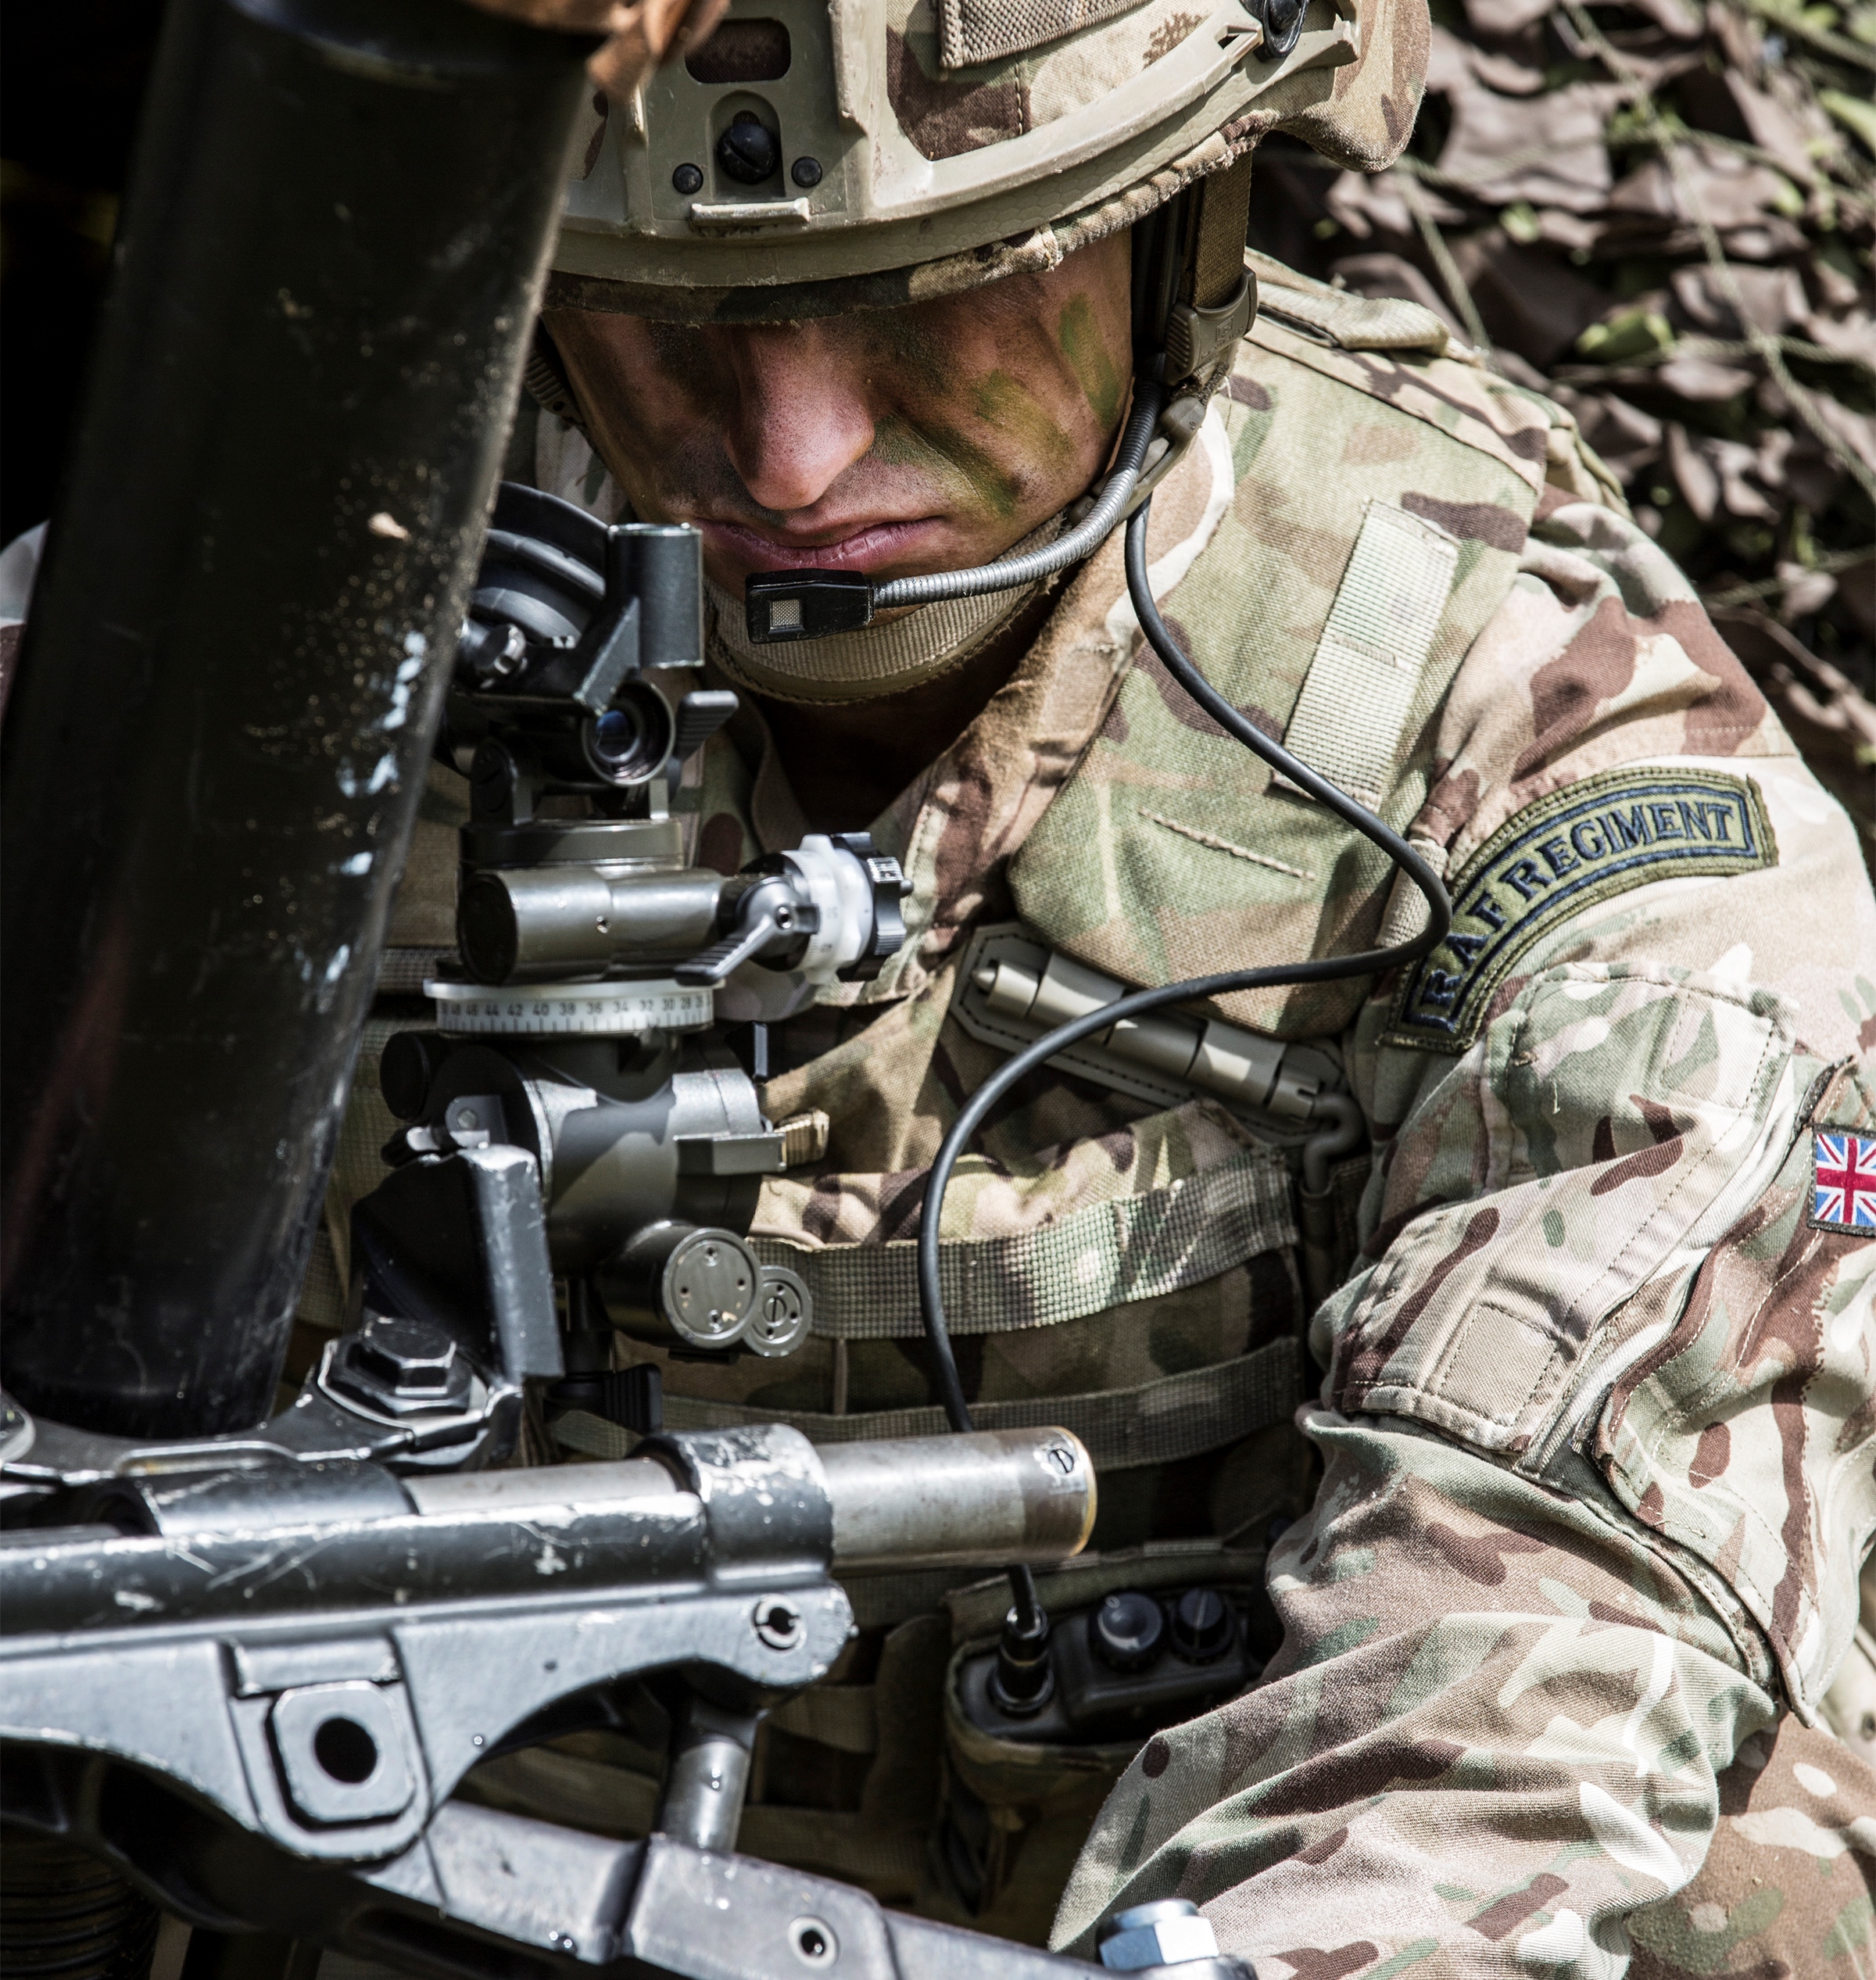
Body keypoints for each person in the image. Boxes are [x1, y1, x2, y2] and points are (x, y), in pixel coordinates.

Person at [305, 0, 1876, 1971]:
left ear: (1177, 240)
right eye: (673, 322)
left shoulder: (1550, 752)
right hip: (394, 1872)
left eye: (935, 303)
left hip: (1147, 1909)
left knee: (1748, 1891)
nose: (792, 455)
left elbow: (1537, 1653)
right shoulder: (303, 585)